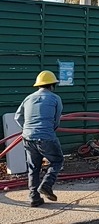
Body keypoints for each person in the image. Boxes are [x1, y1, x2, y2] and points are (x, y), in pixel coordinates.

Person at [14, 70, 64, 207]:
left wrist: (27, 129)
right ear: (52, 85)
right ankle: (46, 185)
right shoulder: (55, 98)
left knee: (33, 167)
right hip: (46, 137)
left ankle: (34, 197)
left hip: (28, 137)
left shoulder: (28, 98)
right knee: (57, 160)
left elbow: (17, 117)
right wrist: (48, 129)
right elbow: (56, 120)